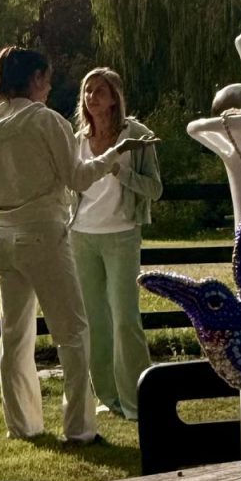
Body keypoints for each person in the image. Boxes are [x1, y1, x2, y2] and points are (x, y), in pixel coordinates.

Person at [0, 46, 129, 443]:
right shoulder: (47, 121)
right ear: (34, 79)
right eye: (46, 79)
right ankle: (79, 429)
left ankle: (22, 425)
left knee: (14, 335)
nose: (48, 86)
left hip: (2, 234)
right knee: (73, 333)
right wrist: (114, 156)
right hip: (43, 233)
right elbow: (77, 178)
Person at [71, 68, 161, 420]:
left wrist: (117, 169)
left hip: (122, 235)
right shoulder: (77, 139)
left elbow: (155, 189)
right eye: (88, 90)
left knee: (125, 320)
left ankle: (138, 400)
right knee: (94, 322)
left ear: (114, 98)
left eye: (100, 91)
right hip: (82, 236)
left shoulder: (136, 135)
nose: (92, 97)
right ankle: (108, 397)